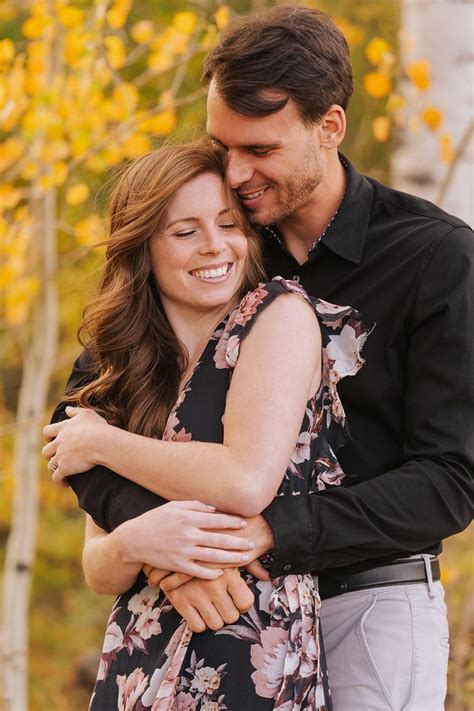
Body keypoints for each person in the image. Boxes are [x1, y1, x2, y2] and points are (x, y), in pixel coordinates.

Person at [48, 5, 473, 709]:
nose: (237, 172)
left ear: (329, 126)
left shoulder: (434, 256)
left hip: (370, 602)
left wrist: (262, 534)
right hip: (221, 605)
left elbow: (450, 481)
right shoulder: (221, 243)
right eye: (224, 146)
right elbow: (83, 418)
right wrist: (170, 546)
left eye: (261, 150)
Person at [43, 141, 368, 709]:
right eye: (185, 232)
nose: (215, 246)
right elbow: (98, 566)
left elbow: (245, 479)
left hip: (249, 643)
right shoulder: (126, 366)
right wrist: (141, 542)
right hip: (138, 660)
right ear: (143, 246)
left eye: (228, 223)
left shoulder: (277, 316)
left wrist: (100, 442)